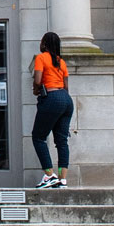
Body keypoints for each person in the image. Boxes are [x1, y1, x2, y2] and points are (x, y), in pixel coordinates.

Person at [30, 32, 73, 189]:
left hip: (51, 97)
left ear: (45, 44)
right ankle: (63, 179)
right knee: (61, 140)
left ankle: (49, 175)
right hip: (66, 100)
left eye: (42, 42)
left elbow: (38, 79)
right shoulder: (61, 62)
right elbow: (66, 85)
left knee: (38, 137)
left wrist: (36, 90)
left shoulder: (41, 58)